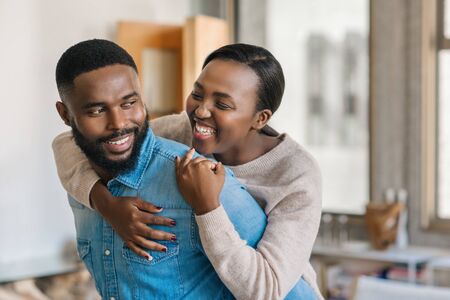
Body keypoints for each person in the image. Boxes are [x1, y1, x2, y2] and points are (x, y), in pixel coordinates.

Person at [53, 42, 322, 299]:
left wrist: (208, 208)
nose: (201, 111)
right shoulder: (182, 131)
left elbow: (268, 289)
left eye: (223, 104)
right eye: (197, 94)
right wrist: (107, 206)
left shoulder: (296, 174)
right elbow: (69, 144)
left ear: (260, 118)